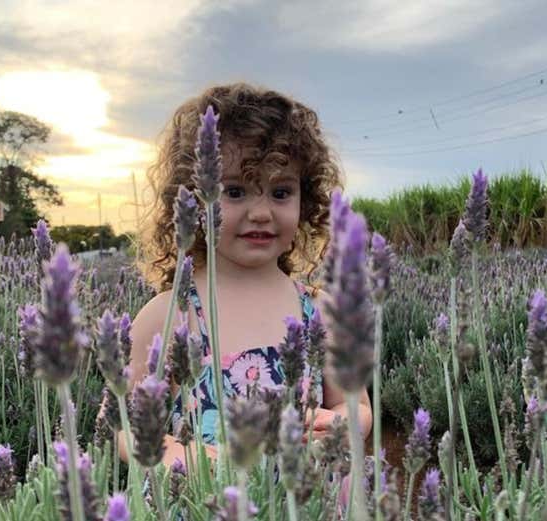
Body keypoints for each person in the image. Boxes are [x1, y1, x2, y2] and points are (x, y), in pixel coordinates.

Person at [119, 82, 373, 469]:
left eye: (281, 192)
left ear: (306, 199)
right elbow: (124, 424)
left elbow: (352, 404)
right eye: (235, 191)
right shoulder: (170, 314)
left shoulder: (320, 312)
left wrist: (339, 421)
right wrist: (188, 459)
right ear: (195, 196)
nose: (261, 212)